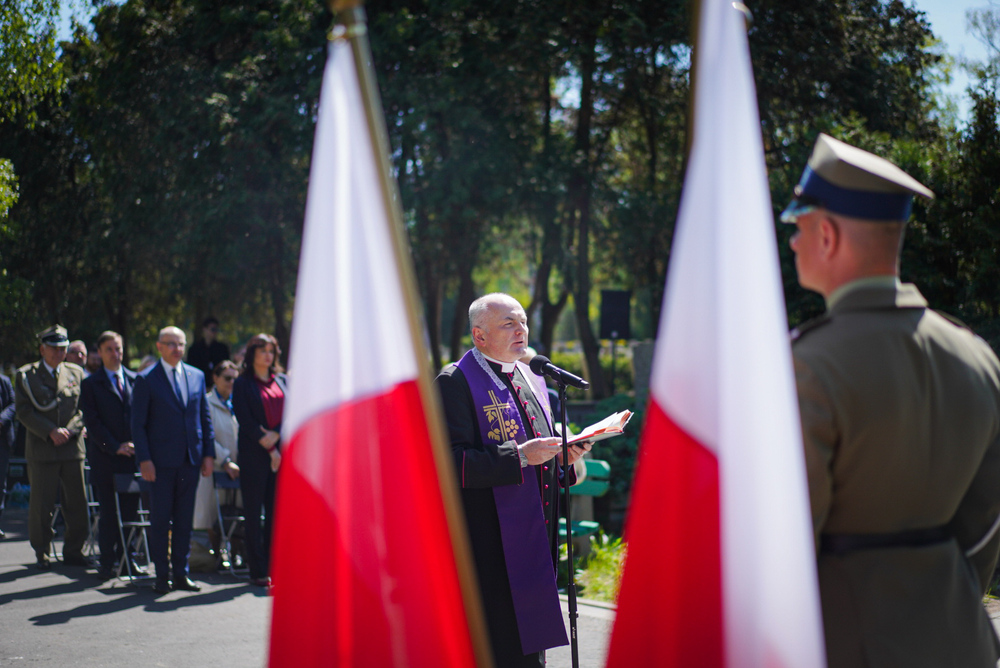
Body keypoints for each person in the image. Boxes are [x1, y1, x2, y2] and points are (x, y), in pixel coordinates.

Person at [784, 133, 1000, 667]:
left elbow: (785, 549)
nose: (792, 241)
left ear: (829, 235)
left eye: (801, 225)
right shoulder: (975, 356)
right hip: (959, 640)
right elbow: (986, 525)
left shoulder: (807, 364)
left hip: (843, 646)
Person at [434, 293, 590, 667]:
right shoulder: (454, 382)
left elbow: (540, 456)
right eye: (509, 323)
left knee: (531, 653)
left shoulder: (531, 379)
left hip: (536, 540)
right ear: (479, 335)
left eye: (522, 321)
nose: (521, 330)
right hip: (488, 545)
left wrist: (564, 459)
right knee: (499, 650)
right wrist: (521, 456)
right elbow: (447, 464)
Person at [131, 326, 215, 594]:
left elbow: (204, 417)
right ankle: (162, 575)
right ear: (159, 346)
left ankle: (181, 574)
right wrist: (144, 459)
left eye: (180, 344)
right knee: (160, 520)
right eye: (171, 344)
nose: (176, 349)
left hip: (190, 460)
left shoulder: (197, 376)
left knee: (183, 521)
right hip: (160, 463)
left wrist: (208, 454)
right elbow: (137, 425)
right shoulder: (146, 379)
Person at [14, 325, 89, 570]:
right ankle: (42, 551)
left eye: (63, 348)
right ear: (42, 349)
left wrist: (70, 429)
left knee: (77, 502)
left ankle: (74, 550)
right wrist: (50, 431)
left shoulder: (76, 373)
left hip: (71, 447)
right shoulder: (27, 375)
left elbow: (84, 409)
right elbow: (24, 411)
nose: (58, 353)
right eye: (54, 348)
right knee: (41, 505)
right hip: (43, 448)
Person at [80, 331, 140, 579]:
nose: (115, 355)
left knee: (131, 513)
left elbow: (140, 417)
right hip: (106, 458)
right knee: (108, 514)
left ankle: (128, 560)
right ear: (100, 352)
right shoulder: (91, 384)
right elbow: (93, 423)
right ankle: (107, 562)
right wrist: (115, 445)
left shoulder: (136, 380)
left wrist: (136, 445)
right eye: (109, 350)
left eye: (119, 349)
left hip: (132, 459)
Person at [232, 334, 285, 588]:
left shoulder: (282, 381)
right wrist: (270, 446)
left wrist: (278, 437)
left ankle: (277, 566)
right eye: (262, 350)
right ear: (252, 353)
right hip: (254, 456)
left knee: (276, 513)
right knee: (254, 514)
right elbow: (244, 418)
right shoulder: (242, 383)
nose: (267, 355)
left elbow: (291, 413)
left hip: (279, 456)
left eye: (271, 351)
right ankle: (258, 570)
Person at [192, 361, 240, 548]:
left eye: (235, 379)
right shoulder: (207, 402)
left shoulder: (238, 403)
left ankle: (235, 555)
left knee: (234, 514)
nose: (231, 383)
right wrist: (225, 459)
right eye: (227, 378)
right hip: (216, 467)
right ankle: (215, 555)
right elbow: (205, 434)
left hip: (236, 469)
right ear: (215, 378)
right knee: (212, 516)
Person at [186, 317, 231, 387]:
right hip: (198, 385)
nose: (215, 332)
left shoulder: (222, 349)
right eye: (212, 329)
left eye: (216, 330)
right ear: (204, 329)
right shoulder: (194, 349)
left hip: (218, 386)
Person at [0, 372, 16, 539]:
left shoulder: (4, 381)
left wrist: (1, 419)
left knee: (0, 484)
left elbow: (13, 404)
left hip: (1, 441)